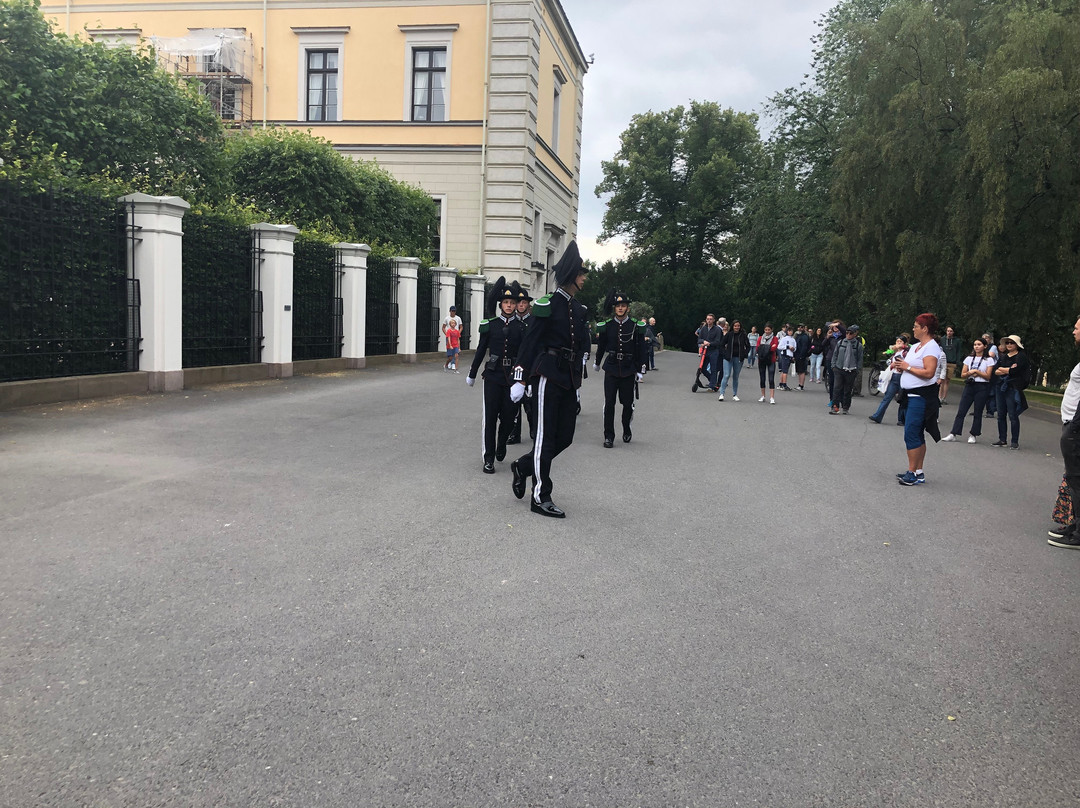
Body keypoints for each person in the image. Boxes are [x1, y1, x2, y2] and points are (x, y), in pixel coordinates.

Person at [509, 241, 590, 518]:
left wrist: (578, 385)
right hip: (546, 374)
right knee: (544, 437)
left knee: (564, 437)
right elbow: (529, 343)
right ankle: (540, 495)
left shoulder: (580, 310)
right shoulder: (546, 305)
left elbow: (580, 349)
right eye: (581, 274)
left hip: (568, 378)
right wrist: (520, 378)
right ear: (570, 275)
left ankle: (522, 466)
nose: (584, 278)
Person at [467, 278, 522, 474]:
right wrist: (472, 373)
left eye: (512, 303)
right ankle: (488, 458)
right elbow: (481, 350)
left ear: (516, 305)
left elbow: (525, 355)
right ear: (501, 304)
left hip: (513, 378)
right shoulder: (490, 325)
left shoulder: (522, 328)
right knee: (490, 418)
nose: (509, 305)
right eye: (506, 303)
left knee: (508, 418)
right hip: (492, 375)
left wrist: (527, 381)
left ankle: (502, 443)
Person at [895, 313, 943, 486]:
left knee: (912, 434)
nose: (913, 328)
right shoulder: (917, 346)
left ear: (925, 328)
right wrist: (902, 368)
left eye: (916, 326)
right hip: (911, 395)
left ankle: (911, 473)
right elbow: (911, 367)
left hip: (921, 397)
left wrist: (907, 367)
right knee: (917, 434)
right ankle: (918, 471)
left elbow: (929, 372)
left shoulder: (931, 348)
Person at [594, 290, 646, 447]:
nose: (621, 308)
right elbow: (602, 345)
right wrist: (597, 362)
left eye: (623, 306)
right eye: (618, 306)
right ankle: (608, 435)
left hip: (628, 368)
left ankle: (626, 428)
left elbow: (641, 348)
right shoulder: (608, 326)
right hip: (611, 367)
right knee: (609, 403)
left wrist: (640, 368)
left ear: (628, 308)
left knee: (627, 403)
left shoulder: (635, 326)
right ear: (614, 308)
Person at [1049, 316, 1080, 548]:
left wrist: (1074, 427)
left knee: (1076, 480)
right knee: (1073, 479)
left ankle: (1078, 533)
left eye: (1077, 328)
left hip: (1076, 428)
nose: (1073, 331)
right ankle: (1074, 524)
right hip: (1072, 425)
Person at [941, 336, 995, 443]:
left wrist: (977, 372)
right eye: (975, 345)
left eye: (979, 345)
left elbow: (988, 376)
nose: (976, 347)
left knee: (978, 411)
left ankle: (973, 434)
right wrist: (970, 373)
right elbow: (963, 374)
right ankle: (953, 433)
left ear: (985, 346)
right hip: (970, 385)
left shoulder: (989, 360)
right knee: (961, 410)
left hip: (982, 386)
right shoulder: (969, 358)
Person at [506, 282, 535, 445]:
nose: (521, 305)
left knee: (529, 402)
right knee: (514, 402)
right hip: (514, 365)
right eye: (519, 302)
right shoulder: (512, 322)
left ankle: (532, 428)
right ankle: (514, 433)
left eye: (524, 303)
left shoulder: (533, 321)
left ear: (528, 304)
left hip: (529, 366)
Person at [992, 334, 1031, 449]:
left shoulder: (1021, 356)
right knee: (1001, 414)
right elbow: (995, 370)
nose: (1009, 345)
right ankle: (1002, 439)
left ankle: (1014, 441)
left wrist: (1005, 370)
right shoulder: (1003, 356)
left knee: (1013, 415)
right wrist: (1008, 370)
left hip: (1012, 388)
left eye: (1011, 343)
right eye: (1007, 343)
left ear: (1017, 345)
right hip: (1000, 387)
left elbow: (1016, 370)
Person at [868, 334, 909, 424]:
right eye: (897, 341)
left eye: (900, 341)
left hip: (903, 377)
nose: (898, 343)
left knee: (902, 399)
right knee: (887, 398)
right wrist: (892, 365)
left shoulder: (906, 352)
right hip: (894, 377)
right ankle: (878, 416)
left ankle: (901, 419)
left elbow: (908, 361)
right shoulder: (895, 353)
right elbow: (891, 364)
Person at [829, 324, 863, 415]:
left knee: (847, 390)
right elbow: (835, 355)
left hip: (851, 370)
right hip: (839, 368)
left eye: (850, 333)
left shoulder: (858, 345)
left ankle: (845, 407)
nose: (848, 335)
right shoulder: (840, 343)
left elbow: (860, 359)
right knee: (836, 388)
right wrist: (834, 366)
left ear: (855, 334)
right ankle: (835, 407)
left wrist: (857, 370)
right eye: (847, 333)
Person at [718, 320, 751, 401]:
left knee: (735, 376)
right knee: (726, 375)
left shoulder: (743, 335)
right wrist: (724, 353)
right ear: (732, 326)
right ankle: (721, 393)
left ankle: (735, 394)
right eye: (735, 326)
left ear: (740, 327)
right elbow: (721, 345)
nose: (737, 327)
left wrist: (745, 354)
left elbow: (748, 346)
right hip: (728, 358)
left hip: (739, 358)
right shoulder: (729, 335)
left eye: (738, 326)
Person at [696, 314, 723, 391]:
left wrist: (710, 343)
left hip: (713, 350)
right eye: (707, 319)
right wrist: (703, 341)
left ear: (714, 320)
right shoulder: (704, 329)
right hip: (705, 351)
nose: (709, 321)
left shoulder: (717, 329)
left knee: (713, 368)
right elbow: (699, 339)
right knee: (702, 368)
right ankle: (713, 381)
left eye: (711, 319)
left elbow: (718, 341)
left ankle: (712, 386)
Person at [756, 323, 778, 404]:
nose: (767, 331)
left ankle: (772, 397)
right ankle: (763, 395)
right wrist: (768, 347)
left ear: (772, 330)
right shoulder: (760, 338)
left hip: (771, 360)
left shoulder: (775, 338)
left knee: (771, 378)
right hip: (761, 360)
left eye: (769, 330)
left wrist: (764, 347)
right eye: (766, 330)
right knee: (762, 378)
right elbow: (758, 348)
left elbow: (774, 347)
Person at [940, 325, 961, 404]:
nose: (949, 332)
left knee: (947, 380)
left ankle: (944, 397)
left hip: (952, 362)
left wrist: (957, 361)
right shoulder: (942, 339)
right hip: (943, 362)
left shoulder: (957, 341)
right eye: (948, 331)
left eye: (951, 331)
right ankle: (939, 396)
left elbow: (958, 351)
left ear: (953, 332)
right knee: (941, 379)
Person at [777, 325, 796, 391]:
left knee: (784, 370)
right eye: (789, 331)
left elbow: (795, 348)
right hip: (785, 355)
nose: (790, 332)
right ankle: (784, 385)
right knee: (785, 371)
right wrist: (787, 347)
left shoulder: (793, 339)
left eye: (791, 331)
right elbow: (779, 347)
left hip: (790, 355)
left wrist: (793, 349)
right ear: (787, 331)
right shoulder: (784, 339)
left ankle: (781, 384)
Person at [794, 324, 811, 390]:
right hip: (798, 355)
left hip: (802, 356)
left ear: (804, 328)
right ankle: (800, 384)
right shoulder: (798, 335)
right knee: (799, 371)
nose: (799, 328)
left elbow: (804, 347)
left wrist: (802, 355)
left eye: (801, 327)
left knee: (802, 371)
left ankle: (801, 385)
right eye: (798, 327)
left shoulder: (805, 336)